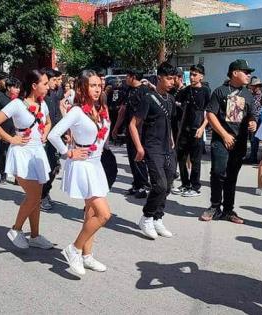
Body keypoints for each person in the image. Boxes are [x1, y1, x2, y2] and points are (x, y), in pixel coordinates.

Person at [48, 69, 111, 276]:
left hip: (95, 164)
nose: (97, 89)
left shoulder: (100, 109)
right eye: (92, 85)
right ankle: (74, 249)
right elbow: (53, 135)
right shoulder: (77, 111)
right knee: (103, 214)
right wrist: (68, 152)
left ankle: (87, 255)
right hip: (83, 165)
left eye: (98, 85)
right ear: (83, 87)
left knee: (91, 212)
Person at [0, 69, 53, 250]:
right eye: (45, 83)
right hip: (22, 154)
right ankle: (16, 229)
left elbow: (48, 122)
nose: (48, 87)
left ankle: (35, 235)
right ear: (34, 85)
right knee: (32, 197)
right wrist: (11, 139)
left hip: (38, 153)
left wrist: (45, 134)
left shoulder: (43, 104)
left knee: (36, 197)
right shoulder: (17, 104)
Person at [200, 59, 257, 224]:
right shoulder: (220, 91)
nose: (249, 75)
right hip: (221, 141)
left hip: (239, 143)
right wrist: (224, 135)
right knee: (218, 173)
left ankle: (228, 210)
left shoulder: (248, 94)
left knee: (232, 176)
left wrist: (253, 122)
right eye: (245, 72)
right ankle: (214, 207)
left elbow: (251, 115)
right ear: (234, 72)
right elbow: (210, 114)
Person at [130, 62, 177, 239]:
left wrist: (171, 139)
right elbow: (133, 125)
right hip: (152, 147)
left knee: (169, 182)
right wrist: (139, 148)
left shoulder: (170, 100)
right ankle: (147, 217)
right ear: (159, 78)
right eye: (169, 78)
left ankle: (158, 217)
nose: (172, 82)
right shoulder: (148, 98)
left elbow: (168, 123)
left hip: (168, 148)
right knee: (160, 184)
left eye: (174, 78)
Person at [173, 64, 210, 197]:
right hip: (184, 129)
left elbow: (209, 112)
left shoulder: (206, 91)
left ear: (201, 76)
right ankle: (185, 183)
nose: (192, 77)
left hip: (197, 128)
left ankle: (195, 187)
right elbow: (175, 102)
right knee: (181, 157)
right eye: (191, 74)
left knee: (195, 160)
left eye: (195, 74)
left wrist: (202, 128)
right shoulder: (186, 90)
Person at [112, 69, 150, 198]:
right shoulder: (128, 91)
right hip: (130, 129)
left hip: (141, 130)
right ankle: (137, 184)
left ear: (133, 77)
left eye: (127, 76)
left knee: (139, 157)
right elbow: (123, 110)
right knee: (132, 157)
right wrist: (116, 127)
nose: (125, 79)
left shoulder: (145, 91)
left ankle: (144, 185)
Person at [40, 68, 63, 210]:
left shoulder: (54, 95)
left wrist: (64, 131)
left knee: (55, 167)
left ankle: (45, 192)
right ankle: (41, 196)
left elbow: (57, 115)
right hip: (45, 138)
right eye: (54, 80)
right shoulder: (40, 97)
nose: (57, 83)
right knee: (48, 167)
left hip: (55, 137)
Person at [0, 77, 21, 185]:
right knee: (2, 154)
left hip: (15, 131)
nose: (18, 90)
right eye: (15, 87)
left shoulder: (19, 100)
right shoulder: (0, 99)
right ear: (8, 88)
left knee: (16, 153)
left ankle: (17, 176)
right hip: (3, 131)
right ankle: (3, 174)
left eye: (19, 88)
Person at [244, 76, 262, 164]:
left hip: (256, 118)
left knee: (254, 139)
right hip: (256, 118)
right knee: (253, 139)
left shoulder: (258, 96)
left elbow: (256, 109)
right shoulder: (256, 95)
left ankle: (253, 157)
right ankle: (253, 156)